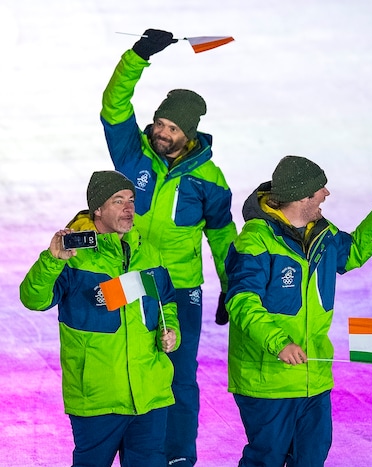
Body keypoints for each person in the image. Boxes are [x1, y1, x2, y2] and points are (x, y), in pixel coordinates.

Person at [100, 28, 237, 466]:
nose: (161, 132)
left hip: (180, 289)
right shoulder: (133, 155)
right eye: (159, 123)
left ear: (190, 134)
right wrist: (138, 55)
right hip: (131, 280)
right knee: (124, 365)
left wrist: (233, 287)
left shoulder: (210, 182)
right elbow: (113, 107)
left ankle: (177, 458)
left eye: (172, 128)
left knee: (179, 376)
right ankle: (131, 450)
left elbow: (221, 236)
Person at [224, 155, 372, 466]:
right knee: (266, 459)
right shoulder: (255, 240)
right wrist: (279, 342)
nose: (326, 194)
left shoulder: (321, 233)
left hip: (314, 375)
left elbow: (352, 254)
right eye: (320, 189)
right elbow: (241, 302)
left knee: (311, 457)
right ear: (301, 196)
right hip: (268, 380)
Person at [19, 170, 180, 467]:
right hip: (97, 397)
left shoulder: (149, 252)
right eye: (118, 201)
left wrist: (171, 331)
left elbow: (166, 301)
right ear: (98, 209)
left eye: (131, 200)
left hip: (150, 394)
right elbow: (33, 299)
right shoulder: (74, 255)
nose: (128, 208)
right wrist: (52, 261)